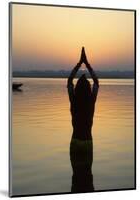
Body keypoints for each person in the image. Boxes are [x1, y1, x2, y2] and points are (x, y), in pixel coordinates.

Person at [68, 47, 99, 192]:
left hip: (75, 142)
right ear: (87, 88)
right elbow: (97, 83)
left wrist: (79, 63)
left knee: (76, 179)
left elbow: (69, 83)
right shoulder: (91, 102)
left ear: (77, 88)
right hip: (87, 142)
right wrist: (86, 63)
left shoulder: (74, 101)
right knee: (88, 178)